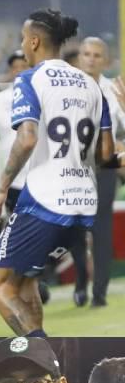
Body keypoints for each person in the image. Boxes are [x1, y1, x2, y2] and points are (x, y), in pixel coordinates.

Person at [0, 10, 118, 336]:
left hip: (45, 200)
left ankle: (43, 353)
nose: (22, 45)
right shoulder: (91, 86)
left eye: (21, 39)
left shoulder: (30, 79)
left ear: (33, 41)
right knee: (27, 282)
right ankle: (42, 355)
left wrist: (2, 188)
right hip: (84, 204)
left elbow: (26, 138)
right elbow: (105, 155)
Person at [76, 36, 125, 308]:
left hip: (103, 168)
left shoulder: (113, 90)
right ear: (80, 56)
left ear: (105, 60)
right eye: (86, 53)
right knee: (69, 231)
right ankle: (80, 285)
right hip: (71, 170)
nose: (91, 59)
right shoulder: (67, 87)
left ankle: (99, 293)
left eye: (96, 55)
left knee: (100, 230)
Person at [0, 52, 29, 233]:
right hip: (13, 178)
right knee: (15, 227)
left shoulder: (42, 96)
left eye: (23, 67)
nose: (19, 71)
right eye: (15, 67)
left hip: (39, 176)